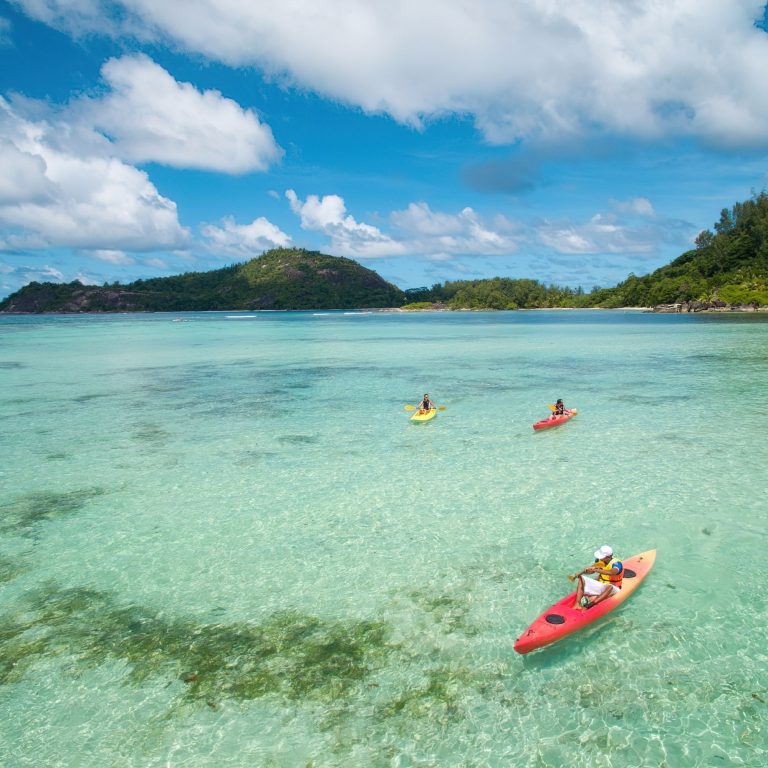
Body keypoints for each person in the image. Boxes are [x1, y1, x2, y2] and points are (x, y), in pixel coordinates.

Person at [572, 545, 623, 609]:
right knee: (582, 578)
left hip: (614, 588)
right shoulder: (599, 561)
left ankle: (590, 605)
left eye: (602, 557)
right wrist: (584, 571)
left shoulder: (617, 564)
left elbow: (612, 572)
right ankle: (577, 604)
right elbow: (592, 572)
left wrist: (595, 569)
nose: (600, 558)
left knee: (609, 587)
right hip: (601, 585)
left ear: (608, 556)